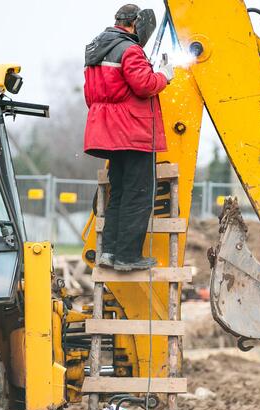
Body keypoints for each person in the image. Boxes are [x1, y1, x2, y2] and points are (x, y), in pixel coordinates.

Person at [83, 4, 174, 271]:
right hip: (132, 133)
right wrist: (164, 76)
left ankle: (109, 253)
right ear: (134, 24)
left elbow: (92, 96)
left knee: (119, 193)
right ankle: (128, 256)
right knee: (139, 194)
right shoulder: (130, 50)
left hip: (108, 133)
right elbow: (144, 85)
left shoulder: (96, 50)